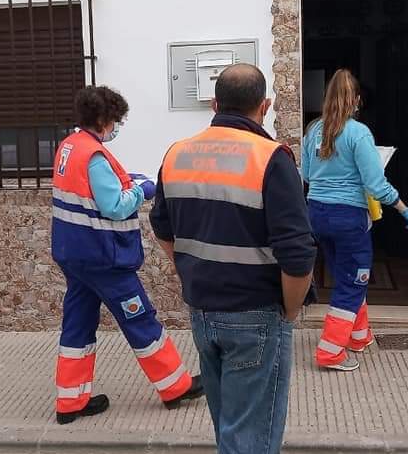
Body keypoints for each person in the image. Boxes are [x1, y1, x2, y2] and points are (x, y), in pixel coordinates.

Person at [150, 64, 317, 454]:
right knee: (251, 439)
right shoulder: (272, 158)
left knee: (229, 429)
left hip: (203, 312)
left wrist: (194, 273)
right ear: (266, 105)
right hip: (257, 314)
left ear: (214, 104)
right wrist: (289, 313)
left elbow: (162, 229)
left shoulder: (177, 154)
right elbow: (298, 254)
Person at [51, 85, 204, 425]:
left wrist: (126, 180)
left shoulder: (70, 146)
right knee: (140, 319)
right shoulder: (94, 155)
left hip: (73, 253)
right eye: (115, 120)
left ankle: (70, 401)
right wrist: (141, 190)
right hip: (104, 258)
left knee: (77, 325)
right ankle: (174, 386)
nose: (117, 127)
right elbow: (115, 207)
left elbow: (88, 191)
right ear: (104, 119)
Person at [301, 69, 408, 372]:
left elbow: (306, 175)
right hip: (348, 217)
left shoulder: (314, 130)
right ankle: (330, 352)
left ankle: (359, 336)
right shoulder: (359, 133)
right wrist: (403, 208)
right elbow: (376, 186)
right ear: (356, 101)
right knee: (354, 281)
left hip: (317, 213)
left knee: (346, 273)